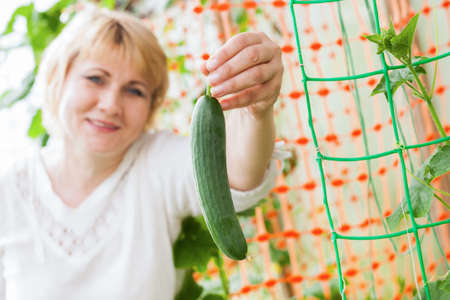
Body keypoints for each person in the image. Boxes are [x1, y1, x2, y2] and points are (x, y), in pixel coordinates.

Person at [0, 6, 284, 300]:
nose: (111, 104)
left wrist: (256, 111)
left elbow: (234, 178)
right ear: (57, 81)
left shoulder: (156, 162)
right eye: (96, 79)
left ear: (151, 105)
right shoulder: (7, 193)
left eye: (134, 90)